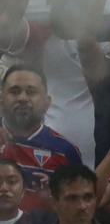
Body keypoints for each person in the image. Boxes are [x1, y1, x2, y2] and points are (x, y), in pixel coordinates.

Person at [0, 67, 84, 202]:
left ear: (47, 103)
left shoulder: (65, 151)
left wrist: (56, 195)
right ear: (1, 99)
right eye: (15, 92)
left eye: (31, 92)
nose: (22, 98)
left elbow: (79, 205)